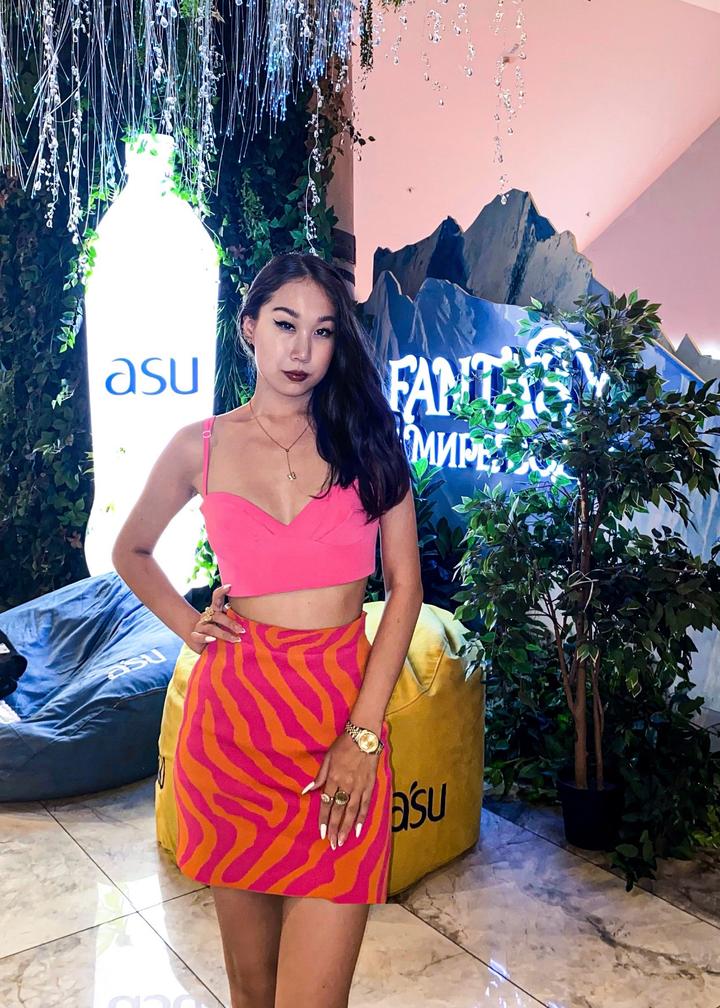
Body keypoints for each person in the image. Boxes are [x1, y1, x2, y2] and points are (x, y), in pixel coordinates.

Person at [112, 251, 423, 1008]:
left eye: (322, 331)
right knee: (252, 993)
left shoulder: (369, 439)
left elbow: (405, 589)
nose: (301, 349)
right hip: (233, 732)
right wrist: (191, 627)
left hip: (341, 727)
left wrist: (364, 736)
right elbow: (131, 550)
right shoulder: (199, 446)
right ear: (249, 326)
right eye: (285, 324)